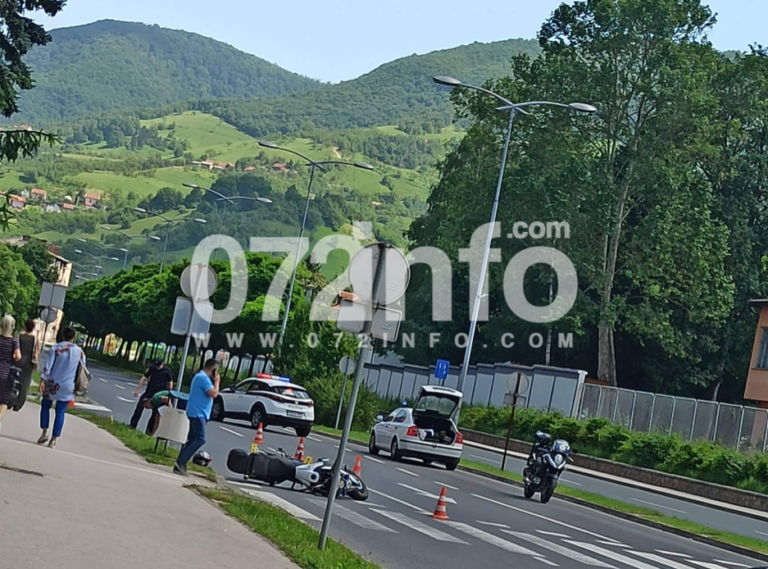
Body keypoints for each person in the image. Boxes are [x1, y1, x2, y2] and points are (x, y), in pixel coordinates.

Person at [37, 326, 85, 448]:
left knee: (45, 406)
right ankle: (53, 440)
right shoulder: (80, 352)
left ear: (63, 335)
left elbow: (48, 367)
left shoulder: (56, 348)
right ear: (73, 337)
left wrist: (42, 380)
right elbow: (82, 369)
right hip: (68, 386)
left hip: (52, 384)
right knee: (60, 412)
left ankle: (44, 433)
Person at [174, 358, 220, 476]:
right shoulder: (203, 378)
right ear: (214, 369)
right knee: (200, 439)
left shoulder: (200, 376)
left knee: (193, 439)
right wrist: (217, 382)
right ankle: (181, 461)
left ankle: (180, 463)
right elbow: (214, 394)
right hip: (198, 413)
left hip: (197, 412)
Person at [130, 358, 174, 433]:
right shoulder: (152, 368)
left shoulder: (167, 371)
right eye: (156, 365)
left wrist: (168, 394)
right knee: (139, 407)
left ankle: (149, 431)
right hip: (149, 391)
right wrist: (137, 390)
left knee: (155, 413)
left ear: (162, 364)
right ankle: (132, 425)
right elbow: (144, 377)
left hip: (160, 393)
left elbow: (170, 383)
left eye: (158, 366)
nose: (157, 367)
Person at [0, 315, 22, 434]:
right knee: (3, 401)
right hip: (6, 373)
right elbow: (18, 356)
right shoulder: (14, 341)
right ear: (13, 327)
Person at [14, 319, 38, 412]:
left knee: (14, 380)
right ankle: (18, 404)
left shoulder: (19, 336)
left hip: (18, 361)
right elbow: (36, 352)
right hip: (29, 364)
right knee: (24, 384)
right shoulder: (35, 339)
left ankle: (10, 399)